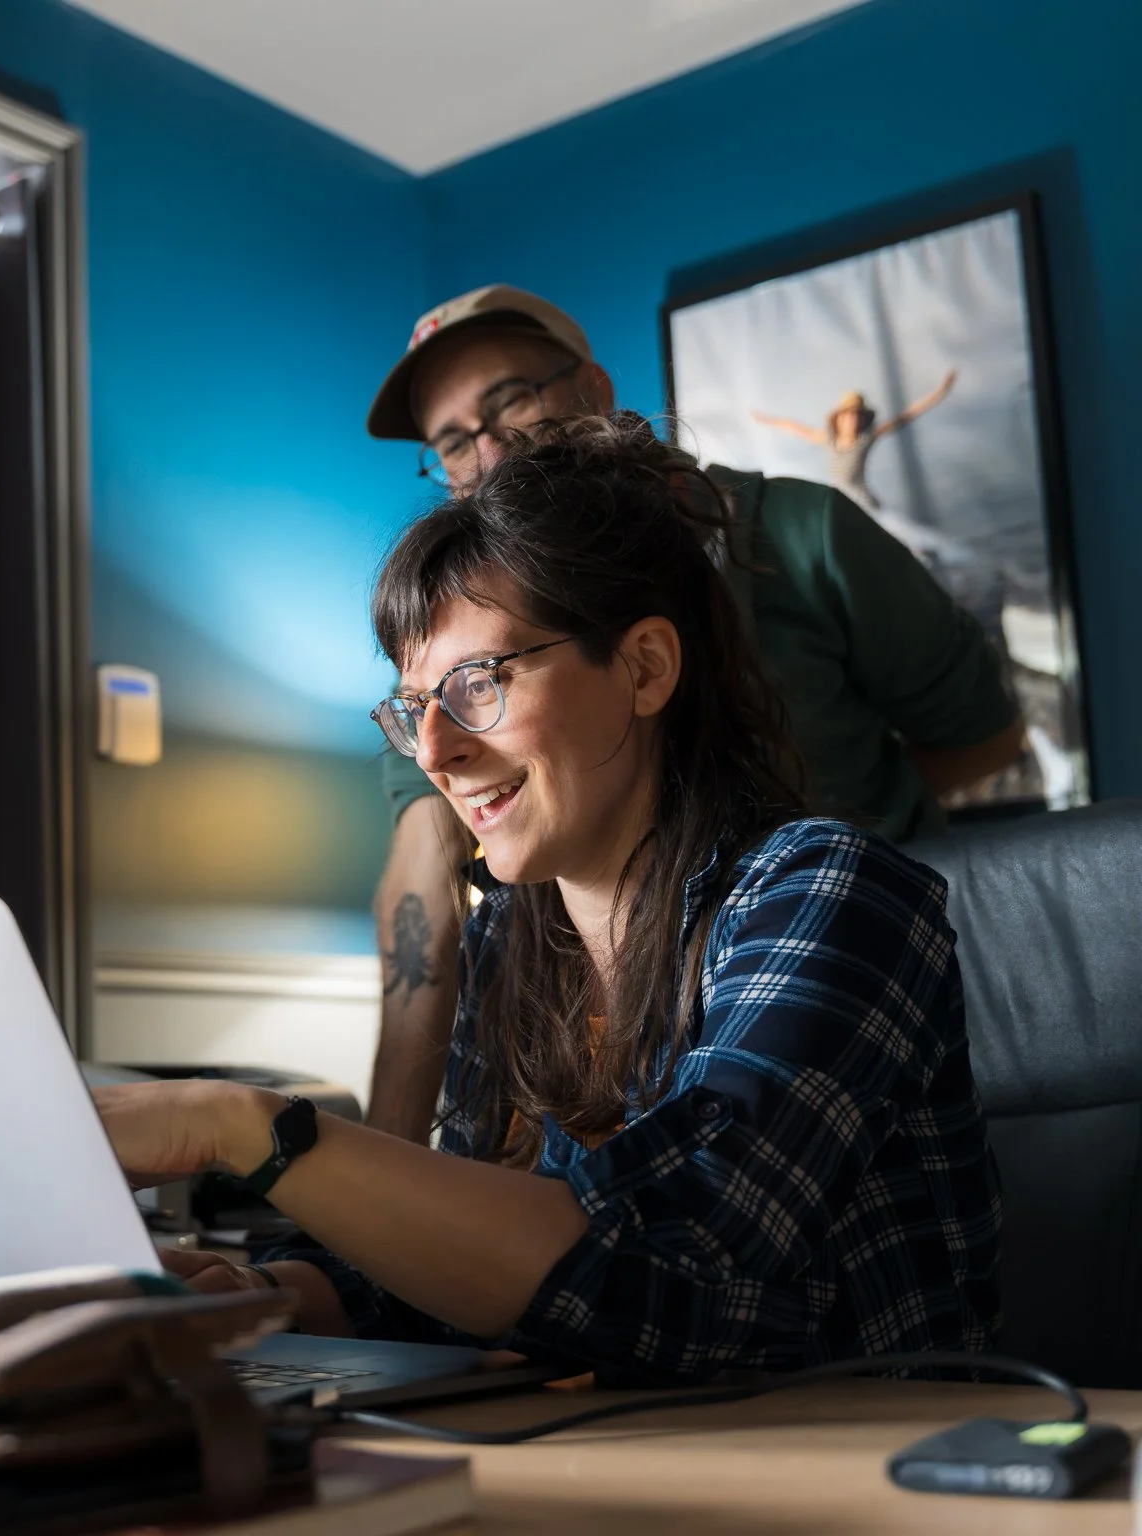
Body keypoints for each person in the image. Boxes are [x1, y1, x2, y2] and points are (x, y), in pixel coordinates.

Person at [94, 419, 1001, 1380]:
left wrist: (249, 1128)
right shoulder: (513, 946)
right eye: (414, 708)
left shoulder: (828, 892)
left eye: (478, 682)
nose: (435, 752)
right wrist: (271, 1302)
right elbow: (480, 1249)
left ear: (646, 667)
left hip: (856, 1478)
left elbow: (682, 1270)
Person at [359, 287, 1020, 1141]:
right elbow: (425, 889)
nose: (487, 451)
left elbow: (982, 735)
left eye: (509, 400)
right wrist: (367, 1188)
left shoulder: (802, 535)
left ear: (594, 390)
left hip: (856, 1000)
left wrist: (799, 859)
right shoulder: (454, 716)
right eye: (451, 440)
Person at [750, 374, 958, 514]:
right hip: (837, 500)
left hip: (862, 501)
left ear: (863, 420)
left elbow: (907, 416)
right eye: (848, 416)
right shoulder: (828, 440)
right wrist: (765, 419)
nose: (853, 420)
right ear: (838, 419)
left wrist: (940, 392)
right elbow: (794, 427)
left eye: (857, 416)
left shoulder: (865, 439)